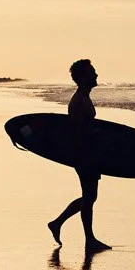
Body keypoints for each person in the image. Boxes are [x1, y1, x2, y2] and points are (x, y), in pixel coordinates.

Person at [46, 58, 111, 252]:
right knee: (89, 197)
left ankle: (69, 229)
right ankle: (77, 234)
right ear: (83, 77)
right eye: (92, 72)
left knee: (89, 197)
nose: (96, 75)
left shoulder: (83, 97)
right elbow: (77, 133)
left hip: (87, 155)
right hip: (84, 156)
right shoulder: (79, 101)